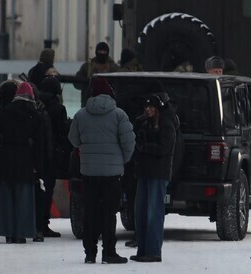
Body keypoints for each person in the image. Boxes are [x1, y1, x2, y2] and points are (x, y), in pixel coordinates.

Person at [68, 75, 134, 264]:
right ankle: (109, 252)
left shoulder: (81, 115)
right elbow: (129, 143)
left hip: (89, 173)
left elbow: (73, 140)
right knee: (109, 213)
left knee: (90, 212)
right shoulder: (119, 115)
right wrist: (121, 161)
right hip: (112, 175)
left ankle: (90, 253)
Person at [0, 80, 41, 244]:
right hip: (25, 158)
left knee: (5, 197)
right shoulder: (34, 113)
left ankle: (7, 231)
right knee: (23, 198)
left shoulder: (4, 111)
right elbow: (38, 140)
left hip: (5, 156)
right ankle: (21, 232)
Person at [130, 92, 177, 263]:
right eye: (146, 107)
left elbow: (164, 149)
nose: (148, 110)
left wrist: (144, 147)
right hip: (144, 172)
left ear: (158, 109)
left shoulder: (167, 124)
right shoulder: (144, 124)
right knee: (141, 212)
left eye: (151, 107)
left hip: (158, 174)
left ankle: (153, 251)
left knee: (153, 213)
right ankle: (143, 250)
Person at [35, 73, 72, 239]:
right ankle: (43, 224)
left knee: (35, 190)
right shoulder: (58, 108)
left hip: (34, 155)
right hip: (51, 155)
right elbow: (64, 133)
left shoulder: (35, 104)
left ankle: (34, 223)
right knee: (47, 191)